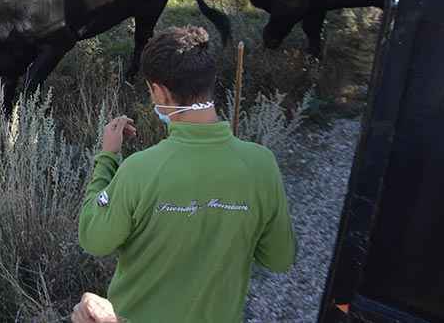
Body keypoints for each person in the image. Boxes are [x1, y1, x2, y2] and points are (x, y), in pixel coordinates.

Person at [77, 26, 296, 323]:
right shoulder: (262, 164)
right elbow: (279, 259)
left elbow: (94, 239)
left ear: (160, 91)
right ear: (209, 82)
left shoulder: (139, 169)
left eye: (151, 91)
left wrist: (107, 158)